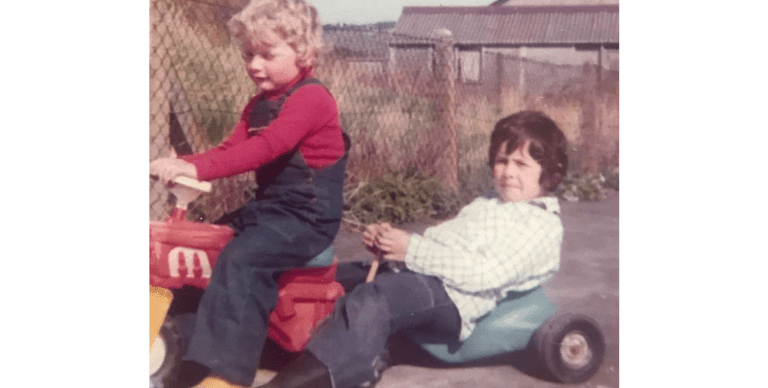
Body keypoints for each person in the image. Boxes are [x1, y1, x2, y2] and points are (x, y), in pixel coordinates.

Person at [257, 110, 569, 388]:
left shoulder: (539, 226)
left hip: (458, 298)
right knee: (327, 278)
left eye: (521, 164)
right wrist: (392, 244)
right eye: (502, 161)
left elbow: (483, 273)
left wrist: (412, 251)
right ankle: (270, 345)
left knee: (378, 298)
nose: (508, 172)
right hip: (427, 274)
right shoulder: (489, 202)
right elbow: (439, 241)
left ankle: (316, 378)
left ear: (550, 174)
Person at [149, 1, 347, 387]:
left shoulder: (311, 99)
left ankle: (228, 374)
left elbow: (267, 147)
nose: (254, 64)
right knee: (208, 246)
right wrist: (183, 162)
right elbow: (228, 150)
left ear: (302, 51)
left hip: (307, 217)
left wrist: (196, 168)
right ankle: (189, 344)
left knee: (242, 260)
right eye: (248, 54)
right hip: (269, 211)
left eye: (267, 54)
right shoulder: (257, 105)